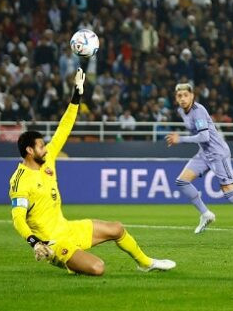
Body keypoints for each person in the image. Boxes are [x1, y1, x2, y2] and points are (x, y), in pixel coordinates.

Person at [9, 68, 175, 275]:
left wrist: (76, 96)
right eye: (41, 146)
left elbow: (64, 127)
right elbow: (18, 218)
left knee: (117, 228)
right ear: (29, 151)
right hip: (52, 242)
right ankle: (69, 261)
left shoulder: (48, 157)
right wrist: (34, 243)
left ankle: (146, 263)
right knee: (98, 268)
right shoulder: (20, 180)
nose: (46, 148)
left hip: (67, 228)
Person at [166, 83, 233, 236]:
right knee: (182, 181)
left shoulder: (199, 111)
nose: (182, 99)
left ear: (192, 96)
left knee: (230, 193)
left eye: (185, 95)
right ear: (176, 98)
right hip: (204, 153)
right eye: (179, 96)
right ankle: (206, 214)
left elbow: (204, 136)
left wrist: (180, 139)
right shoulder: (181, 111)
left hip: (217, 153)